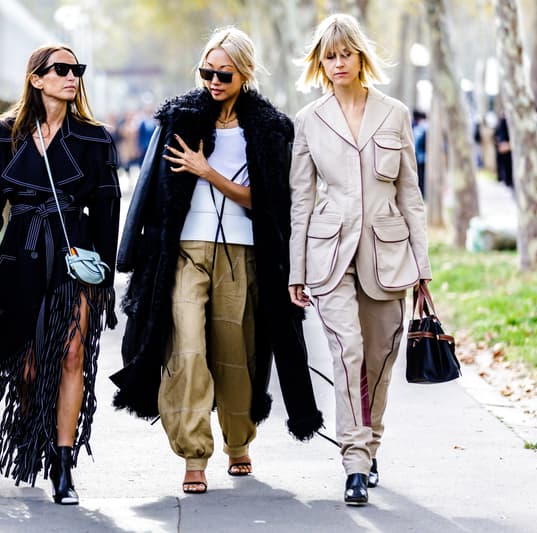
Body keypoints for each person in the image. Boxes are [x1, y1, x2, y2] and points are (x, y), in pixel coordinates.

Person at [112, 26, 323, 495]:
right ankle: (194, 453)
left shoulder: (270, 129)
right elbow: (150, 189)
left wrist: (208, 172)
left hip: (243, 253)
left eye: (223, 73)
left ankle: (238, 441)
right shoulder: (179, 117)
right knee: (186, 350)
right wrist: (131, 255)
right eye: (206, 71)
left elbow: (272, 203)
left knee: (237, 355)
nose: (212, 80)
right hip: (185, 251)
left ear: (244, 72)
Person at [0, 45, 121, 506]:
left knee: (72, 355)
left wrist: (104, 273)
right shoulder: (0, 136)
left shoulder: (94, 139)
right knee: (29, 365)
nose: (71, 77)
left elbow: (108, 209)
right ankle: (37, 428)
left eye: (77, 70)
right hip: (19, 256)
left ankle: (63, 462)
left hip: (75, 257)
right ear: (36, 79)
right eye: (61, 70)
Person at [288, 14, 432, 506]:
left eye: (345, 53)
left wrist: (423, 267)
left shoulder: (394, 113)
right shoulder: (309, 120)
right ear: (319, 63)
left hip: (388, 255)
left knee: (378, 361)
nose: (337, 63)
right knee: (346, 353)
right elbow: (301, 201)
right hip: (328, 256)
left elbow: (411, 193)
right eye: (329, 56)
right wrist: (296, 270)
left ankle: (370, 444)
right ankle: (353, 461)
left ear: (360, 56)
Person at [412, 110, 427, 196]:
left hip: (418, 157)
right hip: (421, 157)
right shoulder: (422, 128)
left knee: (420, 177)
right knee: (421, 177)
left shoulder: (418, 127)